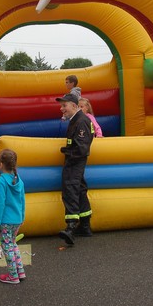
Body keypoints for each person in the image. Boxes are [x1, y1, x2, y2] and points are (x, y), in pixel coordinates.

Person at [56, 92, 94, 245]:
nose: (61, 109)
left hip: (75, 162)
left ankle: (71, 228)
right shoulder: (76, 120)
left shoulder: (81, 121)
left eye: (64, 106)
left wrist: (66, 151)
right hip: (75, 161)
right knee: (79, 189)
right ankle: (85, 226)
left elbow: (81, 148)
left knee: (70, 190)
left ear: (73, 105)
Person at [0, 149, 26, 284]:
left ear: (0, 164)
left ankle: (13, 276)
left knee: (7, 247)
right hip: (16, 219)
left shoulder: (0, 182)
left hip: (5, 221)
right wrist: (22, 217)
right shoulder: (19, 181)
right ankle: (20, 271)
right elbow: (22, 201)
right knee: (13, 244)